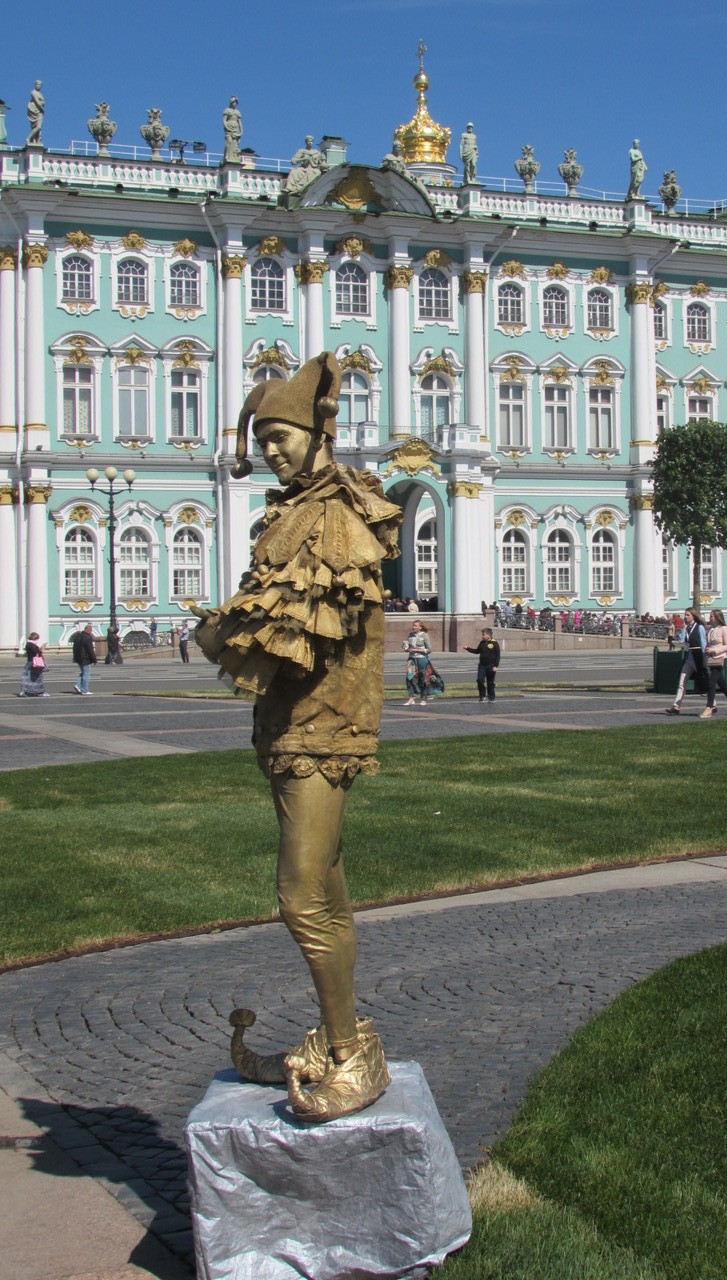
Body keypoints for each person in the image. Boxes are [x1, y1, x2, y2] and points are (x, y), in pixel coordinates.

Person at [193, 352, 402, 1122]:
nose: (271, 451)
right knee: (329, 896)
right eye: (263, 440)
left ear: (317, 431)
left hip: (325, 729)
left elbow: (319, 622)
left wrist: (237, 632)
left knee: (300, 897)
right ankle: (345, 1038)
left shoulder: (339, 512)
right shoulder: (292, 511)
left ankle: (349, 1053)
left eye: (280, 436)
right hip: (288, 727)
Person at [700, 608, 727, 718]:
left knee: (711, 682)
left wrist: (715, 651)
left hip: (720, 658)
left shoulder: (724, 629)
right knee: (722, 684)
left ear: (718, 618)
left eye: (712, 616)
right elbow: (709, 643)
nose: (710, 618)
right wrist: (707, 650)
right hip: (711, 659)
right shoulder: (710, 629)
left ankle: (709, 707)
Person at [665, 608, 707, 714]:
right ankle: (676, 706)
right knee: (682, 682)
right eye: (685, 615)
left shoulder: (699, 627)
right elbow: (681, 640)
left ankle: (712, 704)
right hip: (688, 658)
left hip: (697, 657)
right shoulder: (687, 627)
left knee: (702, 681)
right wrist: (684, 628)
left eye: (688, 615)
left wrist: (704, 659)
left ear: (693, 616)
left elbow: (703, 644)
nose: (686, 617)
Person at [402, 620, 443, 704]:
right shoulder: (410, 635)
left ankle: (423, 698)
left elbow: (429, 650)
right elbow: (407, 647)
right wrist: (406, 648)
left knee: (422, 677)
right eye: (413, 625)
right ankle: (411, 698)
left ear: (420, 627)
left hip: (422, 659)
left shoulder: (425, 635)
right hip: (412, 659)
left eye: (415, 626)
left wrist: (417, 650)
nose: (413, 627)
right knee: (409, 677)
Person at [463, 627, 500, 703]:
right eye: (482, 635)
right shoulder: (482, 643)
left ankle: (491, 697)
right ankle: (482, 695)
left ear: (489, 635)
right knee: (479, 680)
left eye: (483, 635)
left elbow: (498, 656)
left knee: (490, 682)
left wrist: (495, 666)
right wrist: (468, 648)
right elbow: (477, 651)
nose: (482, 636)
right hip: (482, 665)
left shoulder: (495, 643)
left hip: (491, 666)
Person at [18, 632, 49, 697]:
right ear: (35, 638)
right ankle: (38, 692)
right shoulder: (32, 645)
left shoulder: (28, 644)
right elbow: (37, 653)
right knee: (36, 678)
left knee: (28, 678)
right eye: (37, 639)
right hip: (34, 663)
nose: (37, 640)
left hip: (29, 662)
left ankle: (26, 691)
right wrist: (42, 649)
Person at [72, 623, 97, 694]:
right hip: (85, 658)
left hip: (78, 657)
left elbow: (74, 648)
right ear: (88, 630)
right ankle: (84, 690)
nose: (91, 631)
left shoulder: (78, 636)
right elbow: (90, 649)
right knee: (86, 674)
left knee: (83, 672)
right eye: (91, 630)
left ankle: (78, 685)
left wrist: (75, 657)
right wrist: (94, 659)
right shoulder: (87, 638)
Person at [222, 96, 242, 163]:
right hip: (229, 128)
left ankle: (234, 156)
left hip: (236, 129)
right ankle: (226, 156)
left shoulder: (237, 112)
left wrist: (241, 131)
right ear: (231, 102)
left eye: (236, 103)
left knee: (235, 144)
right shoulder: (227, 110)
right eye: (234, 102)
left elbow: (239, 122)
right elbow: (224, 120)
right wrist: (226, 127)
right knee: (229, 142)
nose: (235, 104)